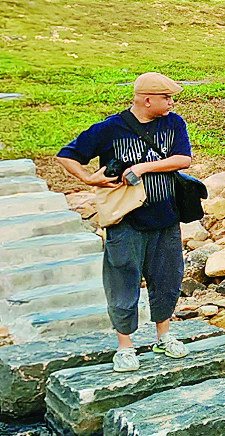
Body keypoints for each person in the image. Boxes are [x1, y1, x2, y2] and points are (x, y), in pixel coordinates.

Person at [56, 72, 196, 373]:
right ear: (147, 100)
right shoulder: (108, 129)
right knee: (122, 282)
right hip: (125, 220)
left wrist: (143, 167)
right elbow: (67, 156)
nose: (171, 102)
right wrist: (87, 177)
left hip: (166, 216)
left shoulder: (174, 124)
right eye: (166, 98)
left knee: (167, 279)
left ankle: (163, 336)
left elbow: (183, 160)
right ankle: (125, 346)